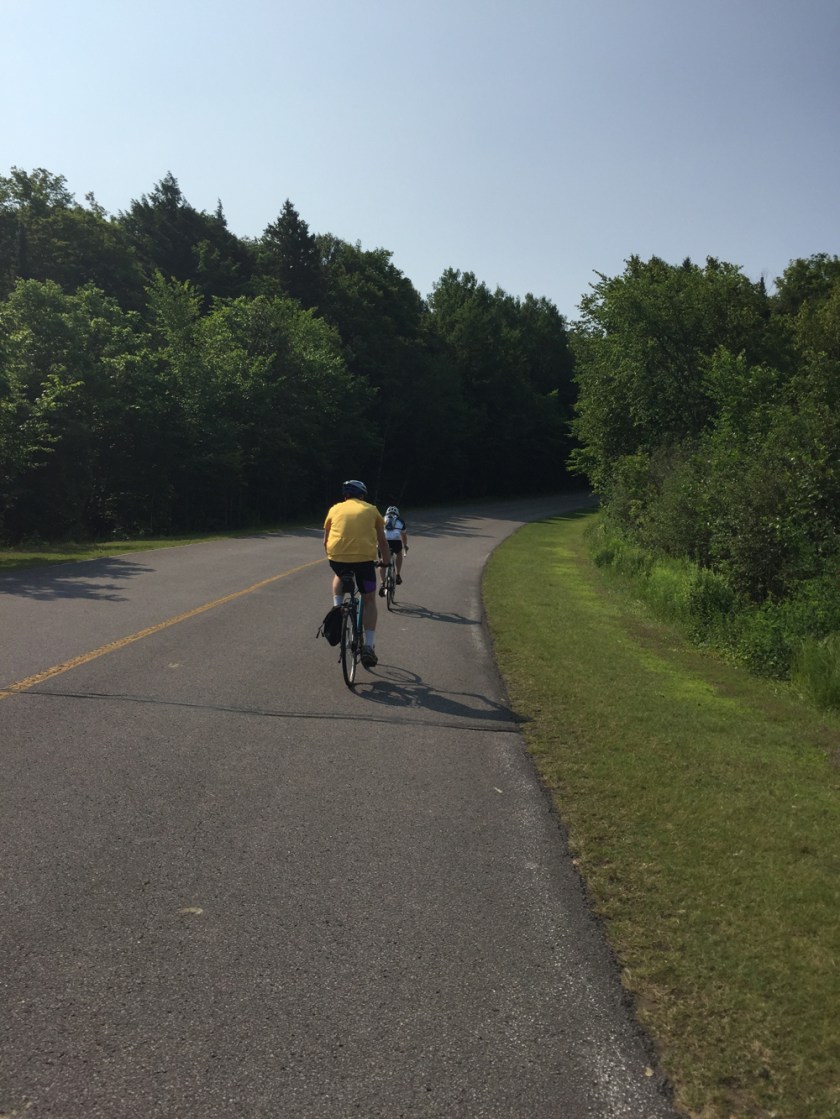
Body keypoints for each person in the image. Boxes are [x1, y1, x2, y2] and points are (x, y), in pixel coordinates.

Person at [323, 479, 390, 669]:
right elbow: (383, 543)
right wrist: (385, 562)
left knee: (339, 575)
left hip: (336, 559)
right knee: (368, 600)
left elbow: (325, 541)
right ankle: (368, 645)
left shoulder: (334, 509)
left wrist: (335, 557)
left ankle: (337, 607)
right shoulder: (371, 510)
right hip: (364, 562)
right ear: (362, 495)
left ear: (345, 496)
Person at [379, 505, 409, 596]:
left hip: (384, 542)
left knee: (382, 561)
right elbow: (404, 535)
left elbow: (378, 532)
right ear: (397, 513)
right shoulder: (400, 521)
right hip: (396, 542)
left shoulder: (382, 519)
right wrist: (405, 545)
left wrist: (377, 544)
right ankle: (398, 575)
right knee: (399, 554)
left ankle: (382, 583)